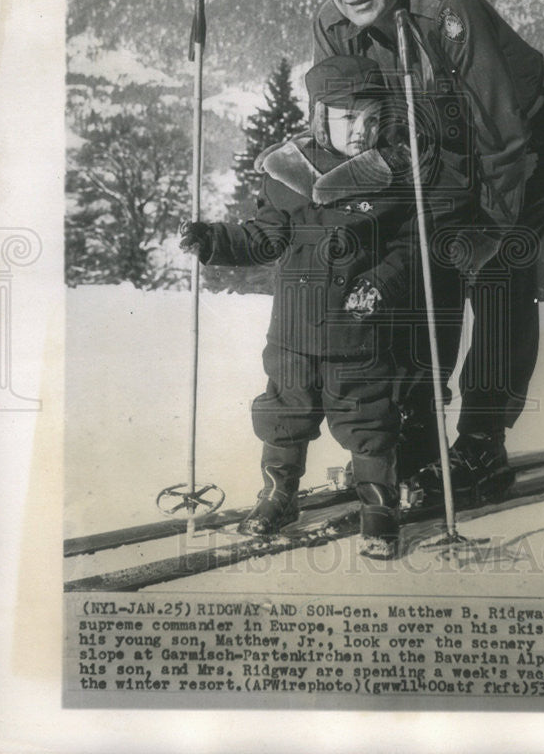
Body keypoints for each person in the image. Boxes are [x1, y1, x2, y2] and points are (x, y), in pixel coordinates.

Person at [303, 0, 544, 505]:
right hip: (437, 148)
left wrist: (486, 230)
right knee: (415, 261)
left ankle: (483, 440)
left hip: (530, 133)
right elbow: (350, 128)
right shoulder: (335, 29)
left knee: (495, 267)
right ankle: (413, 429)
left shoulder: (446, 9)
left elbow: (502, 140)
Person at [180, 55, 446, 559]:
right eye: (348, 118)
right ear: (319, 116)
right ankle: (280, 495)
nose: (362, 131)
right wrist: (212, 241)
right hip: (294, 332)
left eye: (372, 118)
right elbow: (263, 238)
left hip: (358, 334)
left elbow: (409, 250)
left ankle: (378, 508)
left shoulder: (392, 178)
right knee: (284, 414)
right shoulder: (285, 176)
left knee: (369, 424)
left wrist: (380, 285)